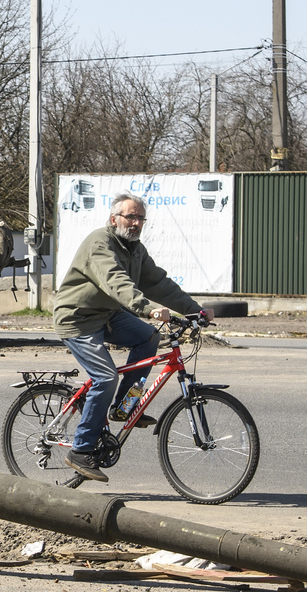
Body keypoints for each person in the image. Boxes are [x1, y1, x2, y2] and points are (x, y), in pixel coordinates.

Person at [52, 192, 210, 482]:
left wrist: (195, 310)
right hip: (78, 318)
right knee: (105, 377)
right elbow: (116, 283)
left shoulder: (135, 249)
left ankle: (124, 408)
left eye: (140, 218)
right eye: (130, 216)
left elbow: (158, 283)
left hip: (107, 314)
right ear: (114, 219)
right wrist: (148, 310)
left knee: (149, 339)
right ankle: (81, 449)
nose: (136, 223)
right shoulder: (100, 243)